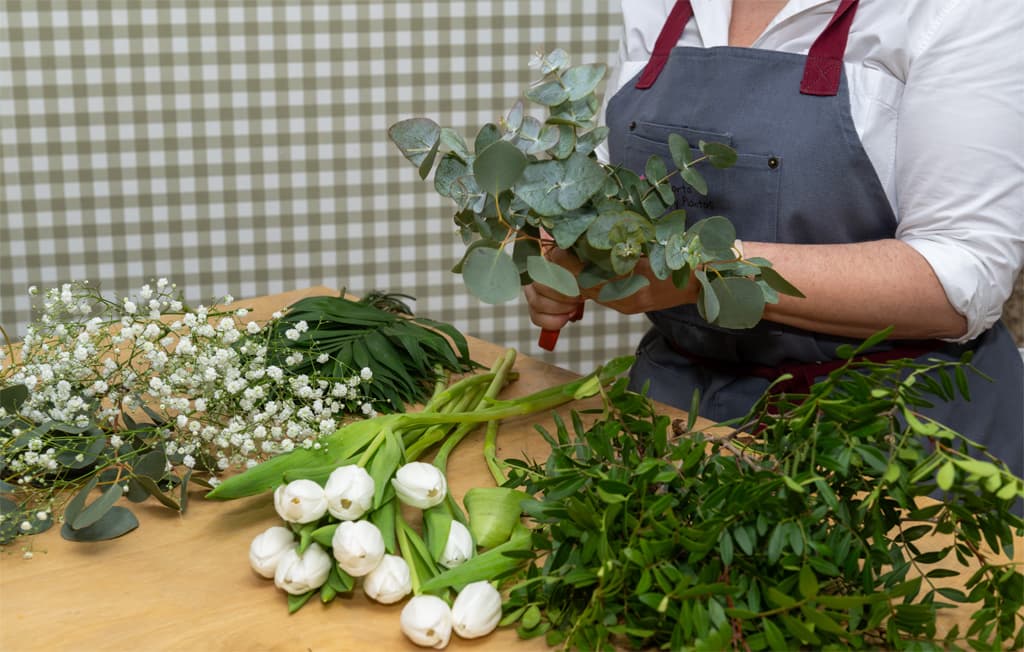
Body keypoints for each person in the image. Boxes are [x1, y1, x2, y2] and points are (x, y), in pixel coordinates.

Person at [524, 0, 1024, 479]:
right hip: (679, 419)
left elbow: (961, 276)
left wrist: (707, 272)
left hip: (890, 438)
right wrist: (571, 246)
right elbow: (625, 189)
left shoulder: (958, 8)